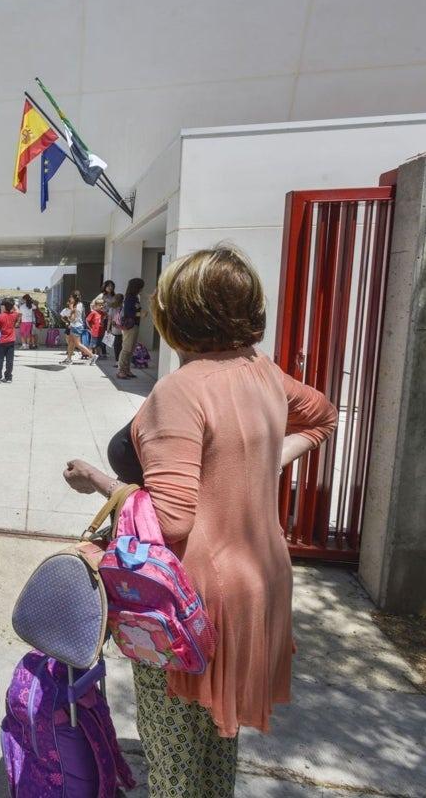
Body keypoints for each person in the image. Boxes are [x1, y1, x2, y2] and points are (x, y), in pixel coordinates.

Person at [62, 246, 336, 798]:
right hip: (255, 585)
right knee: (216, 746)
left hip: (189, 600)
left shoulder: (180, 391)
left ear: (177, 313)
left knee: (174, 759)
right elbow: (323, 416)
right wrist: (260, 464)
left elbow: (170, 518)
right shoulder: (262, 372)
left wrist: (101, 483)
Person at [60, 290, 97, 365]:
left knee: (77, 344)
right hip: (76, 326)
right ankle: (68, 359)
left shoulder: (75, 306)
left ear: (74, 298)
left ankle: (92, 356)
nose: (70, 299)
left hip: (76, 326)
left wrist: (70, 309)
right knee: (71, 343)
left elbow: (72, 319)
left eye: (71, 297)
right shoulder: (80, 304)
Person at [118, 278, 145, 379]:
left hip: (134, 325)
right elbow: (129, 313)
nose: (142, 289)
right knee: (126, 348)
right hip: (130, 326)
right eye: (140, 287)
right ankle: (121, 370)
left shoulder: (135, 297)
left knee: (131, 349)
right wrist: (140, 314)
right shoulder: (130, 298)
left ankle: (127, 370)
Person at [0, 298, 18, 382]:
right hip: (11, 341)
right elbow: (18, 310)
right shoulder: (14, 315)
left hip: (1, 342)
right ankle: (8, 377)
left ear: (3, 307)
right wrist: (12, 304)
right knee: (10, 361)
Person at [109, 293, 126, 365]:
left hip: (114, 328)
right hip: (123, 328)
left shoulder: (112, 308)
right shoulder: (123, 308)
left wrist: (108, 328)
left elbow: (109, 319)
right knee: (122, 345)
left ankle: (117, 361)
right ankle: (121, 360)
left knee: (116, 345)